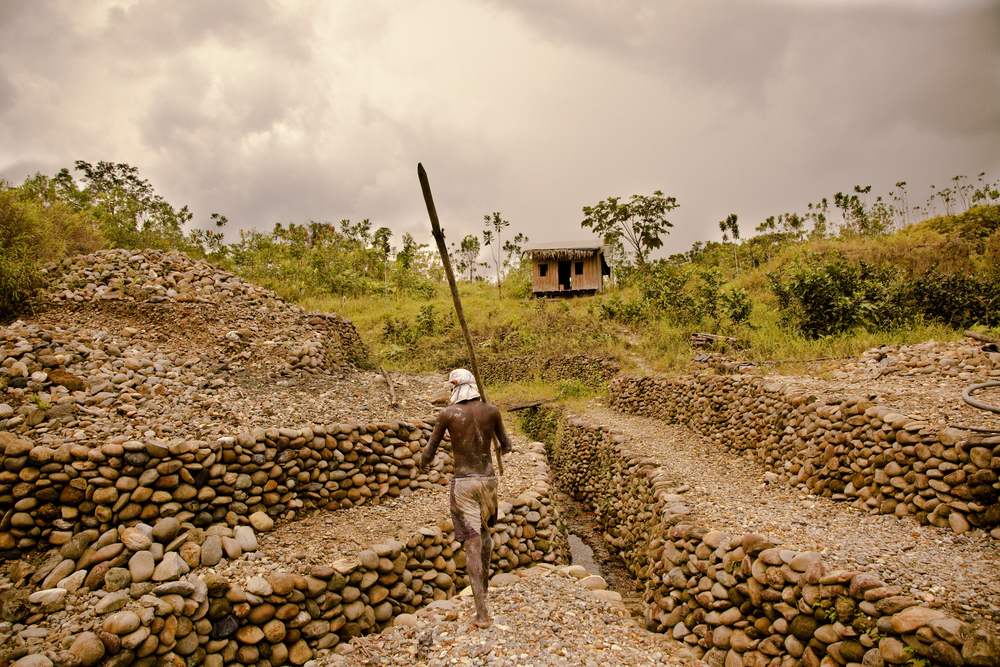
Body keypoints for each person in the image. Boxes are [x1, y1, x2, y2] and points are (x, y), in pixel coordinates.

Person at [419, 368, 512, 629]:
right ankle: (484, 589)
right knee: (485, 535)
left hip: (463, 483)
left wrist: (421, 463)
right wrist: (494, 443)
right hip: (488, 481)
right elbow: (506, 445)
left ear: (454, 388)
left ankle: (481, 614)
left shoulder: (448, 414)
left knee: (472, 544)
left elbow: (429, 451)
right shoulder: (491, 411)